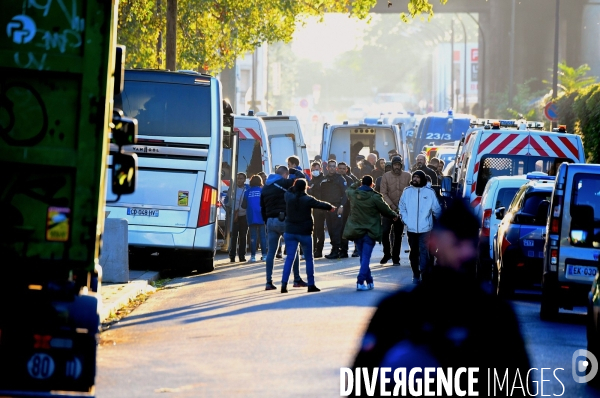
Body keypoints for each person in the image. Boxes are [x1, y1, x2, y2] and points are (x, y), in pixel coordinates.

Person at [351, 199, 531, 396]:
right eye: (456, 243)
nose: (465, 252)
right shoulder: (399, 309)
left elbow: (519, 384)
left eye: (470, 243)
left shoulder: (495, 314)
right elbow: (361, 381)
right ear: (433, 243)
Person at [343, 176, 398, 291]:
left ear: (362, 183)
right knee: (366, 258)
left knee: (363, 258)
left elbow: (348, 189)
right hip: (370, 231)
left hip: (356, 230)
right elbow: (385, 210)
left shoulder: (353, 194)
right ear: (372, 184)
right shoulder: (375, 197)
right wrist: (394, 215)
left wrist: (358, 182)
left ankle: (369, 281)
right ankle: (360, 281)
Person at [281, 179, 335, 293]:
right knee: (309, 259)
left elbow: (288, 191)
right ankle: (311, 285)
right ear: (306, 187)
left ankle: (284, 284)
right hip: (304, 232)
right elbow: (320, 204)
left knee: (289, 258)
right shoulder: (307, 199)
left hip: (290, 231)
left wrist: (293, 187)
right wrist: (330, 207)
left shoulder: (288, 197)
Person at [260, 166, 307, 290]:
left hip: (270, 221)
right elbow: (302, 179)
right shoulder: (283, 182)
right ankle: (297, 279)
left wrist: (267, 221)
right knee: (293, 249)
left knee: (271, 252)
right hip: (285, 220)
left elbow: (262, 207)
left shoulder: (265, 187)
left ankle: (268, 282)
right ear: (285, 174)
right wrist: (293, 171)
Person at [399, 170, 442, 284]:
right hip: (411, 228)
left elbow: (436, 209)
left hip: (425, 228)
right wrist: (406, 220)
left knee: (424, 251)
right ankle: (415, 274)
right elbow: (402, 207)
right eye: (414, 177)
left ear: (422, 179)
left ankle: (424, 274)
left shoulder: (429, 192)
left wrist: (439, 221)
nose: (415, 179)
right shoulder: (407, 192)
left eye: (417, 177)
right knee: (413, 252)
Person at [379, 156, 411, 266]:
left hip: (401, 210)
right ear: (392, 165)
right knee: (385, 232)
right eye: (395, 165)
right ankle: (387, 253)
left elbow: (409, 192)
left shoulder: (407, 176)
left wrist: (401, 208)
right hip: (388, 210)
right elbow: (383, 193)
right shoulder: (386, 176)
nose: (397, 167)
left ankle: (396, 258)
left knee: (398, 235)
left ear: (401, 165)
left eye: (398, 165)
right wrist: (392, 206)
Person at [320, 159, 348, 259]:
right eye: (330, 166)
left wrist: (341, 206)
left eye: (333, 166)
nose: (331, 168)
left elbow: (346, 194)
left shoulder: (340, 179)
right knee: (331, 230)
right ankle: (334, 249)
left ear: (335, 168)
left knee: (336, 229)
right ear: (327, 168)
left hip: (336, 207)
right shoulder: (324, 179)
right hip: (327, 207)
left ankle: (336, 250)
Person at [242, 175, 266, 262]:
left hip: (251, 216)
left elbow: (243, 206)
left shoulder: (247, 192)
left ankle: (252, 257)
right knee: (263, 236)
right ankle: (264, 255)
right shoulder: (263, 191)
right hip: (262, 216)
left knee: (253, 237)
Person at [228, 173, 249, 262]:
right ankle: (232, 256)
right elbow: (227, 200)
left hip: (244, 215)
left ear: (245, 179)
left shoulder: (247, 188)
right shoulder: (232, 189)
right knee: (234, 236)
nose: (239, 180)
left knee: (243, 236)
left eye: (241, 178)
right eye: (237, 178)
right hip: (234, 216)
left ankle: (242, 256)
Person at [308, 161, 326, 258]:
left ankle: (319, 249)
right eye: (313, 170)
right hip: (313, 208)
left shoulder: (324, 180)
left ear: (321, 169)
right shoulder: (311, 181)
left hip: (321, 207)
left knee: (319, 230)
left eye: (317, 169)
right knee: (313, 230)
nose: (315, 171)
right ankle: (314, 248)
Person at [337, 162, 354, 258]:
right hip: (336, 206)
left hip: (347, 208)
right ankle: (337, 249)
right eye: (340, 168)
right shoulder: (335, 178)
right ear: (337, 169)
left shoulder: (349, 180)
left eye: (344, 168)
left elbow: (350, 194)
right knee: (337, 229)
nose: (342, 170)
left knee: (344, 229)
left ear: (346, 170)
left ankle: (344, 250)